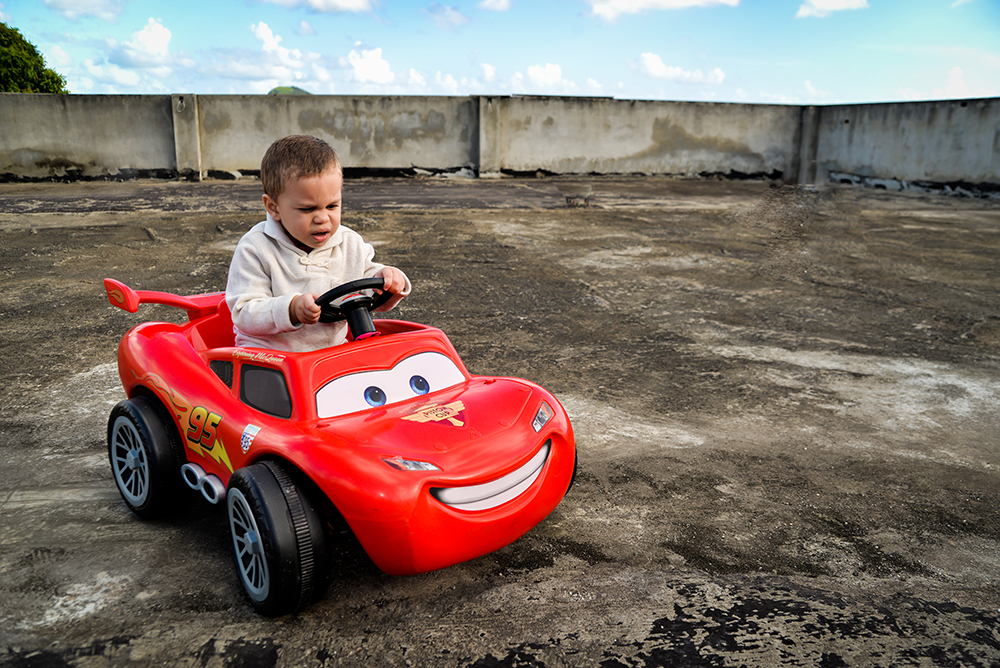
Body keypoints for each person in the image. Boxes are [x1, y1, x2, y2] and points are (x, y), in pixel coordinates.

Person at [226, 135, 411, 352]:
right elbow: (243, 311)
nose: (322, 218)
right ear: (274, 207)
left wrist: (389, 280)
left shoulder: (349, 243)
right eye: (307, 209)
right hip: (269, 359)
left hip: (328, 357)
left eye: (332, 206)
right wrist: (291, 309)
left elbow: (369, 286)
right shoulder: (255, 248)